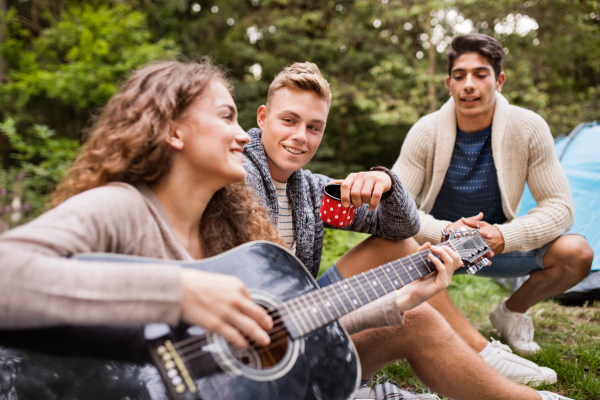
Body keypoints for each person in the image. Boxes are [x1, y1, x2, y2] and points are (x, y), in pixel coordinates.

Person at [0, 60, 462, 398]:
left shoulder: (277, 207)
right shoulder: (121, 207)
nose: (245, 136)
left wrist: (399, 299)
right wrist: (179, 291)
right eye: (228, 118)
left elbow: (274, 323)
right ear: (174, 132)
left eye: (314, 127)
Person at [243, 61, 570, 400]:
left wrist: (386, 182)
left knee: (395, 245)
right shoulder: (235, 173)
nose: (300, 136)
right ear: (263, 117)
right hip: (251, 346)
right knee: (415, 318)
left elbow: (402, 228)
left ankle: (480, 351)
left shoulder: (312, 192)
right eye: (289, 120)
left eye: (314, 127)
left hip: (298, 321)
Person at [392, 30, 593, 366]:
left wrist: (504, 235)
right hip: (438, 245)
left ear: (499, 81)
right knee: (388, 244)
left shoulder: (529, 127)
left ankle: (510, 313)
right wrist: (443, 231)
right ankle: (458, 335)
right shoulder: (425, 131)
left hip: (497, 245)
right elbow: (397, 206)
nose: (469, 84)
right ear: (449, 83)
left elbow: (561, 207)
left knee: (577, 253)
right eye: (460, 76)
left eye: (480, 74)